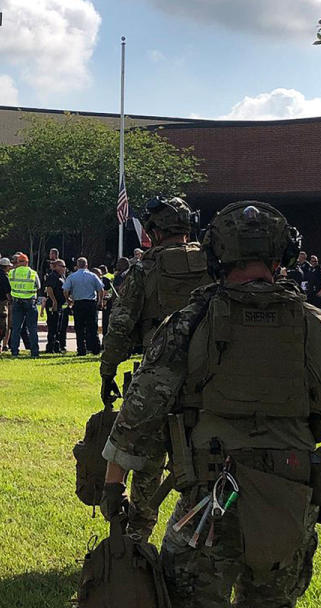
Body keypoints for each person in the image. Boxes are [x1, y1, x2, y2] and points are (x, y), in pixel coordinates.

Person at [100, 201, 321, 608]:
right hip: (290, 498)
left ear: (216, 255)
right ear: (282, 256)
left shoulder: (190, 322)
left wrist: (112, 485)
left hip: (211, 501)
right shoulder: (319, 325)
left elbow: (139, 413)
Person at [98, 196, 210, 539]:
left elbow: (120, 326)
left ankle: (138, 536)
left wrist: (107, 370)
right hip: (210, 376)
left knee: (147, 459)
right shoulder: (213, 264)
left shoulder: (144, 269)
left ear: (154, 232)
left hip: (158, 373)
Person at [62, 257, 103, 356]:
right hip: (90, 303)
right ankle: (95, 348)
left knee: (79, 328)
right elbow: (100, 289)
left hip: (78, 304)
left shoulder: (72, 277)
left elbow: (65, 290)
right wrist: (100, 300)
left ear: (77, 265)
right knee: (92, 327)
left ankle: (81, 349)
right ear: (86, 265)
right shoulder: (93, 276)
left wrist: (68, 300)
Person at [8, 252, 40, 358]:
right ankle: (34, 352)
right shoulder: (32, 273)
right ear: (27, 262)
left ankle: (14, 351)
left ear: (18, 262)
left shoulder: (11, 273)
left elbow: (9, 285)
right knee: (32, 328)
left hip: (17, 302)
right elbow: (38, 286)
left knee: (16, 328)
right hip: (30, 302)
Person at [44, 258, 68, 353]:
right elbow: (49, 289)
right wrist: (54, 301)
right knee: (53, 326)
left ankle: (56, 347)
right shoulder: (53, 276)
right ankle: (50, 347)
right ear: (56, 266)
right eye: (62, 266)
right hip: (53, 304)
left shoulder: (61, 276)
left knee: (58, 326)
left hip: (59, 304)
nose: (64, 268)